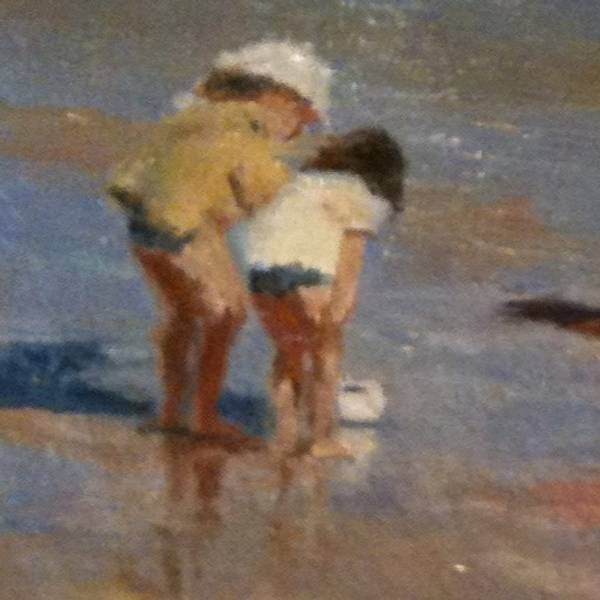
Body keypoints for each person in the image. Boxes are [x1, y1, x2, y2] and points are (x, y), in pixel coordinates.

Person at [106, 41, 332, 438]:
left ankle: (173, 411)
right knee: (226, 315)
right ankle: (203, 415)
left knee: (183, 314)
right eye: (300, 118)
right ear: (275, 97)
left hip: (144, 227)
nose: (297, 132)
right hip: (187, 231)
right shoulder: (246, 129)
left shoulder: (191, 119)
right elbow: (258, 191)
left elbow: (130, 179)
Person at [246, 128, 405, 457]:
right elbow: (350, 259)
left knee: (288, 354)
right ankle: (321, 438)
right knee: (326, 356)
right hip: (311, 276)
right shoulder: (359, 195)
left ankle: (285, 435)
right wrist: (340, 308)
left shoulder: (299, 184)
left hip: (262, 276)